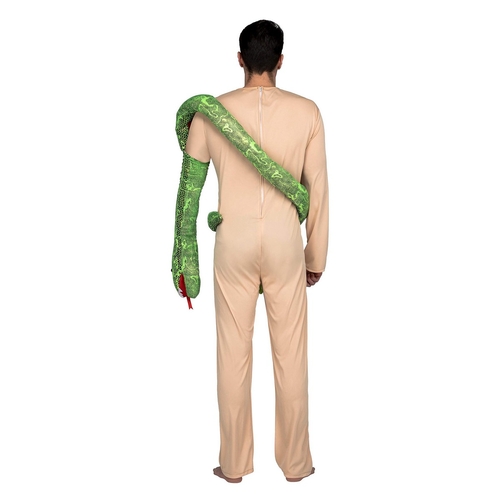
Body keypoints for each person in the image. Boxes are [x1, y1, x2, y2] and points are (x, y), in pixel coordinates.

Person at [179, 19, 328, 482]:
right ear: (280, 61)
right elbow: (318, 189)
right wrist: (316, 256)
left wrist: (184, 261)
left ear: (240, 59)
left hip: (234, 241)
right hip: (284, 241)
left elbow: (188, 196)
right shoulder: (308, 112)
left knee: (232, 354)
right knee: (291, 356)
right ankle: (297, 465)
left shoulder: (209, 114)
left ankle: (234, 464)